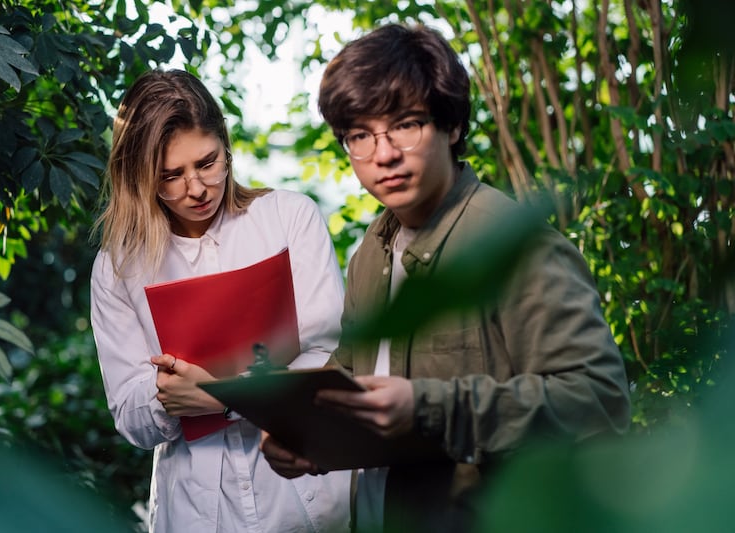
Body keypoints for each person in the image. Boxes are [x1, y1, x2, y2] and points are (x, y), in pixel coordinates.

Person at [261, 23, 631, 532]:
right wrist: (306, 437)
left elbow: (599, 401)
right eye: (360, 137)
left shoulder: (514, 246)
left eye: (406, 125)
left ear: (451, 126)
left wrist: (431, 407)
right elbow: (356, 380)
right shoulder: (371, 251)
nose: (383, 154)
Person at [90, 69, 350, 532]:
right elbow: (130, 416)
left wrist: (220, 396)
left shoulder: (288, 218)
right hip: (196, 511)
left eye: (207, 163)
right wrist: (168, 398)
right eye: (170, 175)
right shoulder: (117, 268)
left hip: (303, 500)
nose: (195, 188)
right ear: (140, 177)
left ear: (225, 145)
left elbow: (329, 358)